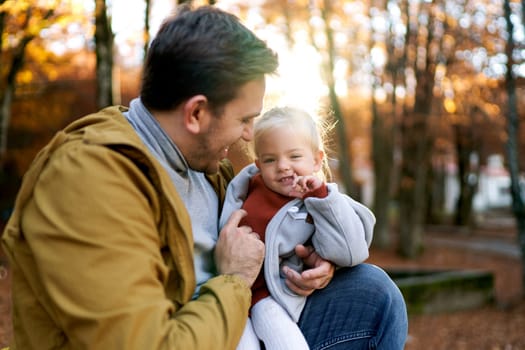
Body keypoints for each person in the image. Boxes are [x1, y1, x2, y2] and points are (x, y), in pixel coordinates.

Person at [1, 4, 408, 350]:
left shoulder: (205, 166)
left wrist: (315, 258)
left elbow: (288, 216)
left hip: (242, 325)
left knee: (372, 292)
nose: (250, 134)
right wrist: (235, 279)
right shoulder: (88, 180)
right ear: (196, 113)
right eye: (245, 119)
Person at [219, 106, 376, 349]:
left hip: (271, 294)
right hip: (233, 291)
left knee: (281, 334)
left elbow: (350, 251)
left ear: (316, 160)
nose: (282, 166)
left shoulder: (320, 202)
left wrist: (321, 198)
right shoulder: (245, 185)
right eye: (270, 159)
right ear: (258, 164)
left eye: (294, 157)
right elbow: (225, 224)